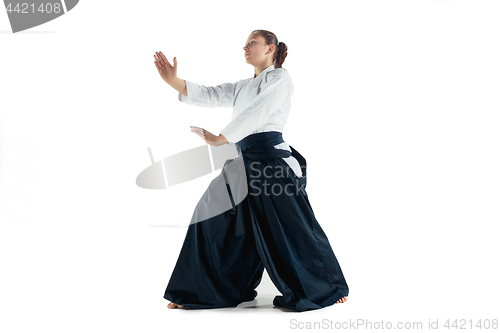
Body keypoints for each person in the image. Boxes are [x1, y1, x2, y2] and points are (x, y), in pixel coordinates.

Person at [153, 29, 349, 312]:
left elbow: (259, 111)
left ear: (270, 48)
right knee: (209, 217)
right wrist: (174, 82)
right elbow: (211, 94)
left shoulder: (280, 78)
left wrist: (222, 137)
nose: (245, 47)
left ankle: (327, 288)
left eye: (252, 43)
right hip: (243, 161)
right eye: (245, 44)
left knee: (293, 227)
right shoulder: (244, 85)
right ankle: (204, 290)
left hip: (271, 162)